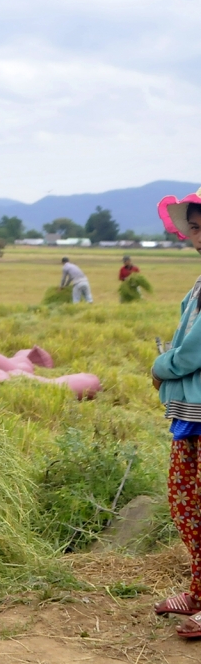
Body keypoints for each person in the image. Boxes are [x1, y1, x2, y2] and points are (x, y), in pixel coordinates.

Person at [150, 188, 201, 639]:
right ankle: (199, 589)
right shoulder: (198, 286)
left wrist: (160, 367)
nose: (199, 236)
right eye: (196, 227)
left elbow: (190, 353)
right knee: (189, 502)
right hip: (192, 412)